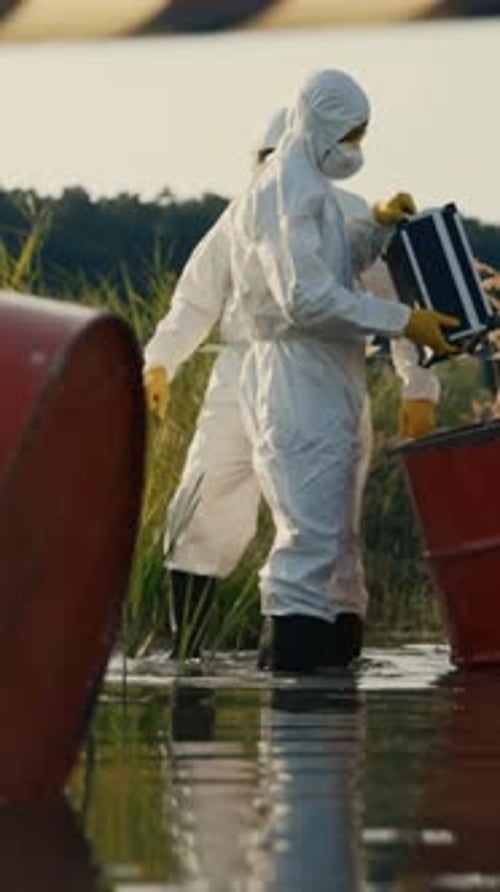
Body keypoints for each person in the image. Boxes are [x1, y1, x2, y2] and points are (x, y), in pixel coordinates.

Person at [226, 67, 458, 674]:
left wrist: (376, 226)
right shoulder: (285, 189)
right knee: (306, 547)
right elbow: (303, 299)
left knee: (336, 551)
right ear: (323, 125)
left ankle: (327, 701)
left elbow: (332, 269)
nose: (356, 147)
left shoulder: (313, 190)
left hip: (333, 378)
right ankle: (297, 713)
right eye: (351, 134)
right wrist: (402, 319)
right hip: (297, 383)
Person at [143, 109, 288, 659]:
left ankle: (305, 660)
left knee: (308, 518)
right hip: (237, 373)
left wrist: (417, 384)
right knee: (199, 505)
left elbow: (384, 297)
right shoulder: (237, 219)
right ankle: (190, 654)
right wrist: (159, 363)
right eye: (268, 158)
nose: (277, 170)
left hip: (310, 374)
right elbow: (195, 300)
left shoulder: (342, 216)